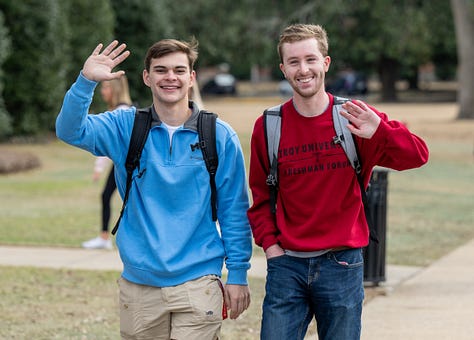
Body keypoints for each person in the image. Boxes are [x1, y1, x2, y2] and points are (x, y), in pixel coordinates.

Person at [56, 38, 252, 339]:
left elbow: (233, 211)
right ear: (147, 77)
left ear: (191, 77)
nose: (170, 77)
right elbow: (70, 130)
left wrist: (237, 274)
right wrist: (85, 82)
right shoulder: (125, 127)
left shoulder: (218, 136)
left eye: (178, 70)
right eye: (160, 70)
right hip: (140, 286)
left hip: (199, 282)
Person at [247, 24, 429, 340]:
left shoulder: (354, 117)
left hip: (342, 264)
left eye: (310, 59)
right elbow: (261, 196)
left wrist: (381, 132)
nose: (303, 70)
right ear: (283, 69)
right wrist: (272, 247)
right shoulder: (269, 126)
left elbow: (418, 155)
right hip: (286, 265)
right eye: (293, 62)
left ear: (326, 63)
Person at [82, 76, 133, 250]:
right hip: (124, 163)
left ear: (115, 89)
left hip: (129, 164)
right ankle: (104, 237)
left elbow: (108, 144)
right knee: (108, 196)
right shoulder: (123, 109)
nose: (102, 92)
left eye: (105, 88)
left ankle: (106, 237)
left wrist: (98, 167)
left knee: (128, 200)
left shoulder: (121, 112)